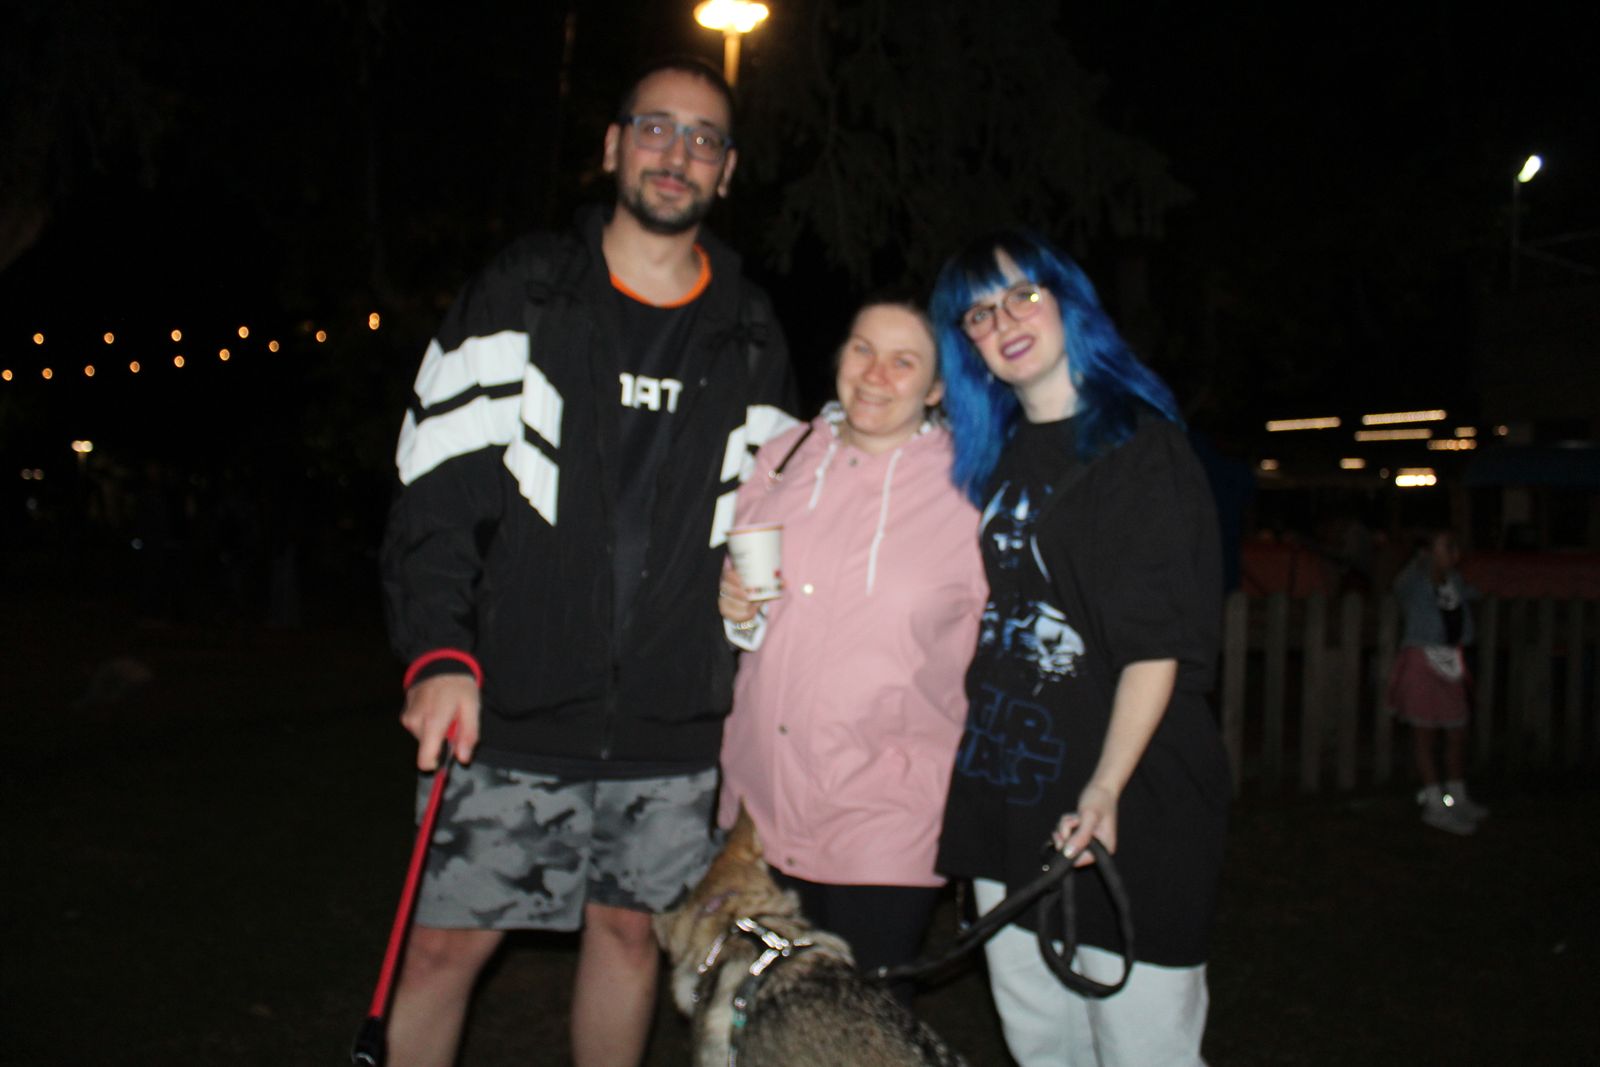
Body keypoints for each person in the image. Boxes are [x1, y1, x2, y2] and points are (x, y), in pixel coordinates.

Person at [378, 56, 796, 1067]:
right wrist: (439, 652)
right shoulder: (526, 291)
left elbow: (772, 517)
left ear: (727, 170)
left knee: (628, 936)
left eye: (703, 138)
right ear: (612, 147)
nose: (677, 153)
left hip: (672, 717)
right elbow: (435, 489)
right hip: (510, 703)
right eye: (656, 127)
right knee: (441, 950)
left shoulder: (749, 331)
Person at [930, 229, 1229, 1067]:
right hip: (1010, 794)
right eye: (979, 314)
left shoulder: (1140, 447)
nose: (1003, 321)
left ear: (1069, 303)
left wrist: (1104, 787)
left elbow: (1155, 646)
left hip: (1128, 801)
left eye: (1023, 295)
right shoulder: (993, 456)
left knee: (1142, 1049)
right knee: (1041, 1046)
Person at [714, 298, 987, 1002]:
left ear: (936, 388)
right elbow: (753, 608)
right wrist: (736, 610)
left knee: (859, 1026)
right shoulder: (785, 457)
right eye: (863, 349)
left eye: (904, 361)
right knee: (764, 1021)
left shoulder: (970, 489)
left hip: (886, 814)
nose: (875, 374)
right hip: (761, 805)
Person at [1387, 529, 1487, 836]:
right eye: (1447, 547)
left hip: (1451, 661)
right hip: (1422, 660)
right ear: (1428, 551)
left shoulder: (1455, 581)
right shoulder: (1414, 582)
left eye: (1456, 547)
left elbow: (1473, 595)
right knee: (1425, 734)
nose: (1455, 553)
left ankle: (1456, 797)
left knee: (1457, 731)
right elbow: (1400, 585)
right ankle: (1435, 804)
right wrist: (1421, 560)